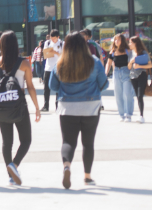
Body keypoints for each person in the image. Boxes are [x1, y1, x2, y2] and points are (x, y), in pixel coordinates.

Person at [49, 31, 109, 189]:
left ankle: (67, 166)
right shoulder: (94, 62)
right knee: (88, 143)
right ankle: (87, 176)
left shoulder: (60, 63)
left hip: (67, 108)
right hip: (91, 107)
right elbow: (104, 84)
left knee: (68, 141)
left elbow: (52, 86)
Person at [0, 31, 41, 186]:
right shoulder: (24, 63)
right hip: (20, 107)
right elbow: (30, 86)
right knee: (26, 140)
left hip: (2, 107)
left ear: (1, 45)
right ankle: (14, 165)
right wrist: (37, 108)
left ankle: (10, 175)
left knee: (7, 142)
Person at [105, 33, 135, 122]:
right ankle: (121, 114)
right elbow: (109, 63)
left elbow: (133, 62)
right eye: (115, 40)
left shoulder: (128, 51)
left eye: (118, 39)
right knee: (118, 94)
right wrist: (105, 73)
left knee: (127, 93)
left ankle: (128, 114)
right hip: (116, 73)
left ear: (122, 40)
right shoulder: (112, 51)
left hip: (126, 72)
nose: (116, 41)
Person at [128, 36, 152, 124]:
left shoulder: (143, 53)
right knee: (138, 96)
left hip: (141, 75)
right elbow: (129, 67)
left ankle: (141, 116)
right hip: (133, 76)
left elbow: (150, 65)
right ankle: (140, 115)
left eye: (130, 42)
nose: (129, 44)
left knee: (140, 95)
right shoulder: (130, 53)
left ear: (135, 43)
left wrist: (139, 66)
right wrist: (131, 62)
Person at [42, 30, 63, 112]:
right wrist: (49, 52)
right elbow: (45, 54)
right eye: (51, 38)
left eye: (54, 38)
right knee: (46, 88)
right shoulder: (47, 43)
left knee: (58, 88)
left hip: (58, 68)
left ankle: (58, 106)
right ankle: (46, 105)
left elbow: (63, 55)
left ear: (58, 37)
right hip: (48, 68)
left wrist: (55, 53)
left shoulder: (62, 43)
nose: (52, 40)